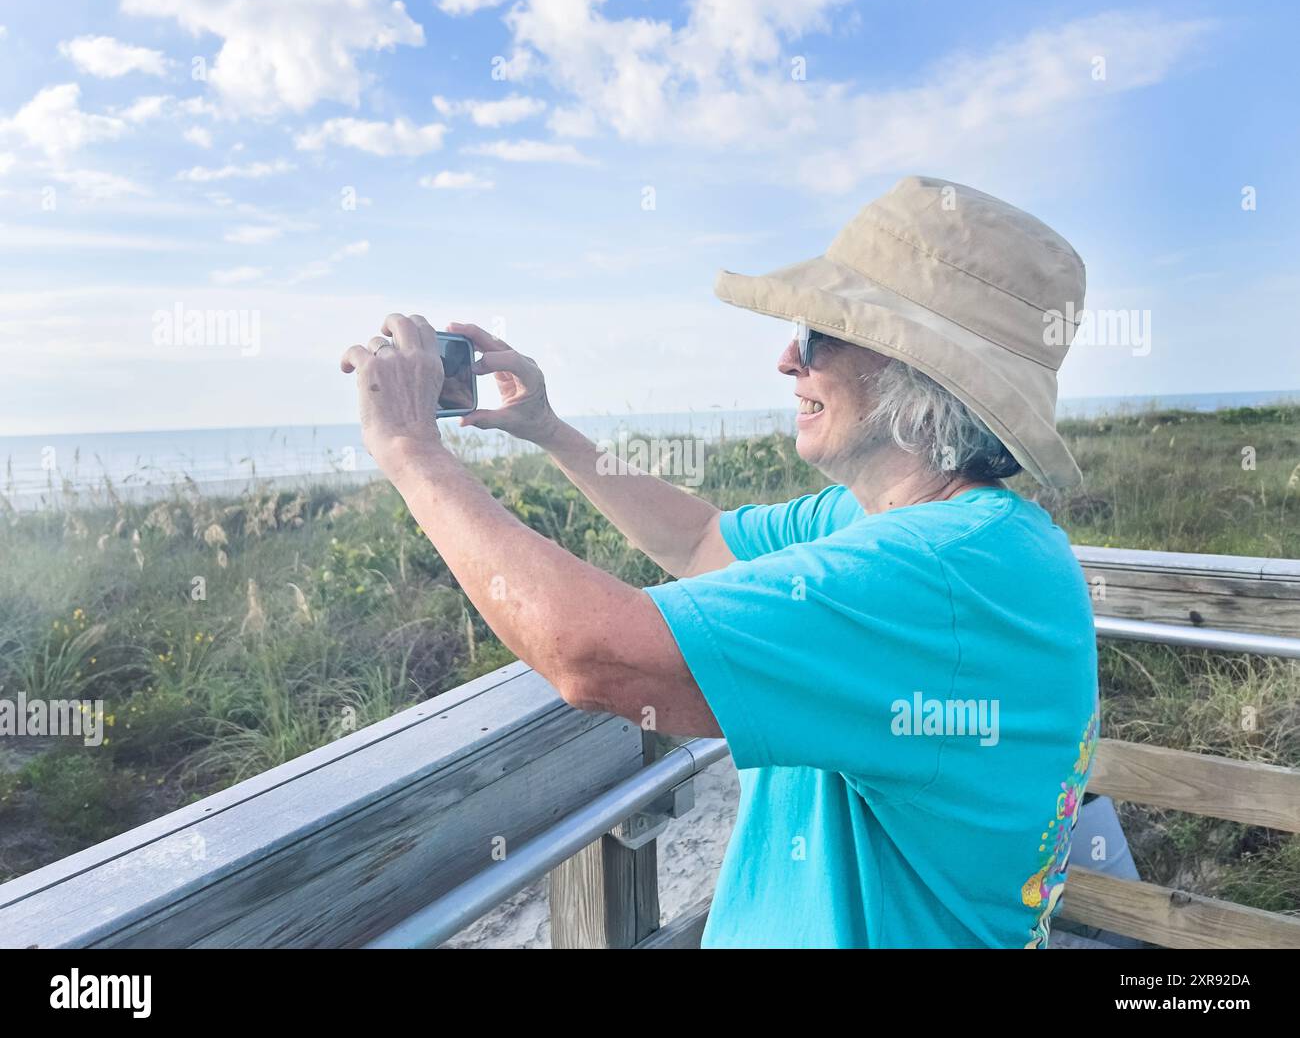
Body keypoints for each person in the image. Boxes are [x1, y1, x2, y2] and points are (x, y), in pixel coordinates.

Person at [340, 175, 1100, 948]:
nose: (784, 359)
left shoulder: (935, 572)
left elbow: (594, 658)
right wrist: (548, 428)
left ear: (922, 371)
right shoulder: (924, 524)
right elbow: (702, 541)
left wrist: (410, 449)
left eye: (817, 334)